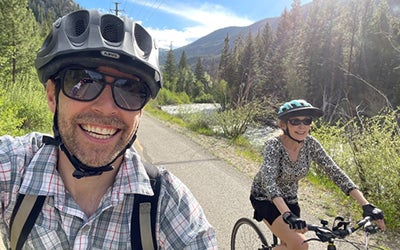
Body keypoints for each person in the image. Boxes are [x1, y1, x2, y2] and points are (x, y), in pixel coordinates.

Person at [0, 9, 217, 249]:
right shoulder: (13, 169)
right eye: (83, 81)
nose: (106, 108)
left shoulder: (167, 205)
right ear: (52, 95)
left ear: (141, 111)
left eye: (130, 90)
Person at [249, 99, 385, 250]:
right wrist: (286, 214)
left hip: (290, 199)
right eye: (295, 121)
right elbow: (269, 182)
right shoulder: (273, 145)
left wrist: (366, 204)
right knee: (300, 245)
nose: (302, 126)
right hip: (266, 199)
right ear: (283, 125)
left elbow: (335, 172)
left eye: (307, 121)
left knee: (288, 245)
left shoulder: (310, 144)